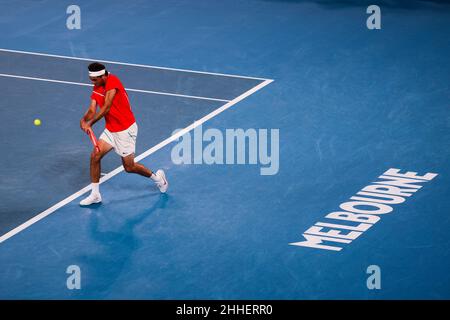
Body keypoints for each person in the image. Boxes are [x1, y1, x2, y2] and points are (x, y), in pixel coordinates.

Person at [79, 62, 168, 206]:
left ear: (103, 76)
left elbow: (106, 107)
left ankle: (158, 179)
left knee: (129, 167)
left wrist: (91, 124)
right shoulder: (97, 86)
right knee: (95, 156)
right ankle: (95, 195)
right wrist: (83, 120)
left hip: (125, 130)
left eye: (95, 79)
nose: (92, 82)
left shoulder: (113, 81)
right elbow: (92, 109)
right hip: (111, 130)